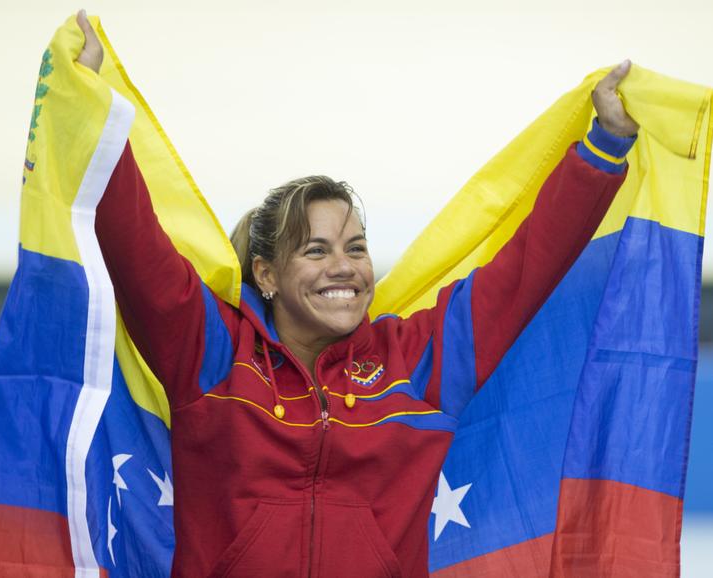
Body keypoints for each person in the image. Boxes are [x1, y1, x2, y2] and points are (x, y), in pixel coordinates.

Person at [77, 10, 638, 578]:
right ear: (266, 275)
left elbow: (525, 270)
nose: (343, 268)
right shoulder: (212, 353)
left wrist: (605, 147)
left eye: (356, 247)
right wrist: (92, 113)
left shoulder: (419, 362)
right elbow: (136, 246)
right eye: (316, 251)